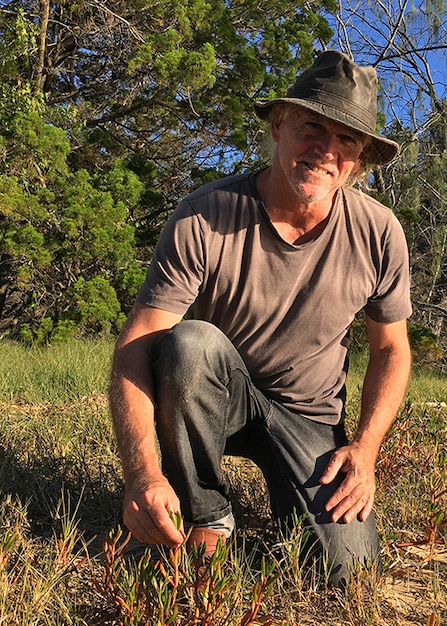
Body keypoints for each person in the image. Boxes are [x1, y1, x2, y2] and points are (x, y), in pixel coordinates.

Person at [108, 50, 412, 584]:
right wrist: (141, 475)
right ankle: (206, 512)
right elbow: (139, 341)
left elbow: (391, 349)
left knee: (349, 571)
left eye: (346, 140)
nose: (325, 151)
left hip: (308, 413)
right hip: (212, 396)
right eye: (312, 127)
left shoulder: (380, 232)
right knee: (190, 345)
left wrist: (364, 450)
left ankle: (296, 497)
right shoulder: (205, 214)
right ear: (277, 126)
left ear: (360, 160)